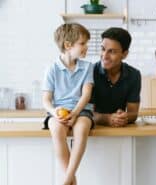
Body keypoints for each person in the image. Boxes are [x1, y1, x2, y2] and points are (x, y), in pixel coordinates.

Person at [42, 23, 94, 185]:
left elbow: (86, 94)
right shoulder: (52, 69)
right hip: (59, 111)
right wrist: (54, 110)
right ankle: (72, 180)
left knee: (82, 128)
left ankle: (66, 180)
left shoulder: (87, 67)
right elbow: (46, 100)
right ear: (68, 45)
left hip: (81, 110)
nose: (86, 47)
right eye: (83, 43)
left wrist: (76, 113)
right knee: (56, 129)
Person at [92, 27, 141, 127]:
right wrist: (108, 119)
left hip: (121, 130)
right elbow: (86, 114)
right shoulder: (90, 73)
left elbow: (133, 113)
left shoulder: (134, 75)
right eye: (103, 49)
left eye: (112, 51)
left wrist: (124, 117)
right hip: (95, 131)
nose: (104, 56)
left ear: (124, 54)